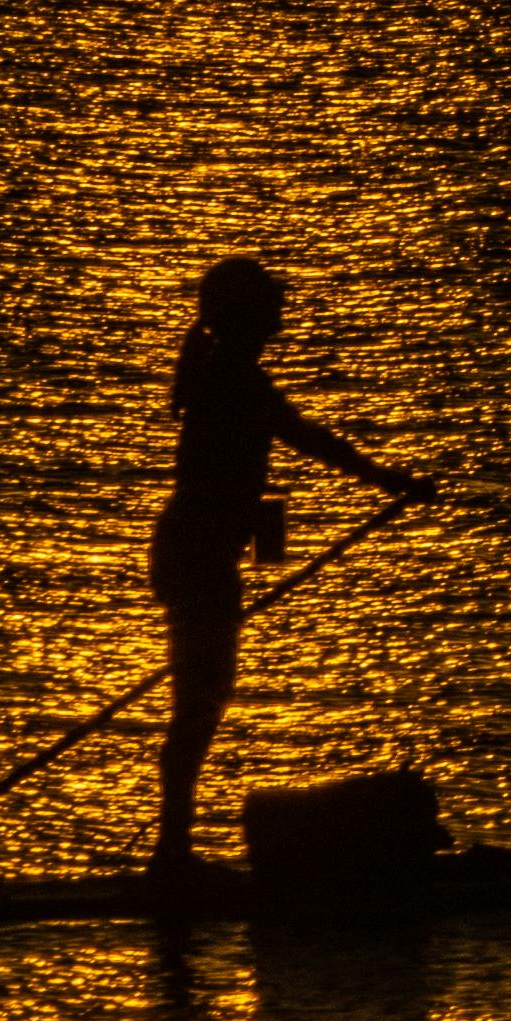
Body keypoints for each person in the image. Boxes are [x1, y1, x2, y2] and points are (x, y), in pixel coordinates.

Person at [152, 258, 433, 867]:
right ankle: (172, 855)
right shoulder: (235, 382)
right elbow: (306, 440)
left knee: (200, 703)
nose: (283, 311)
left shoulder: (229, 375)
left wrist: (263, 550)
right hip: (198, 560)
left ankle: (173, 849)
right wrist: (393, 482)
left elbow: (249, 478)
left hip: (197, 557)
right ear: (247, 315)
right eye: (271, 304)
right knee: (197, 709)